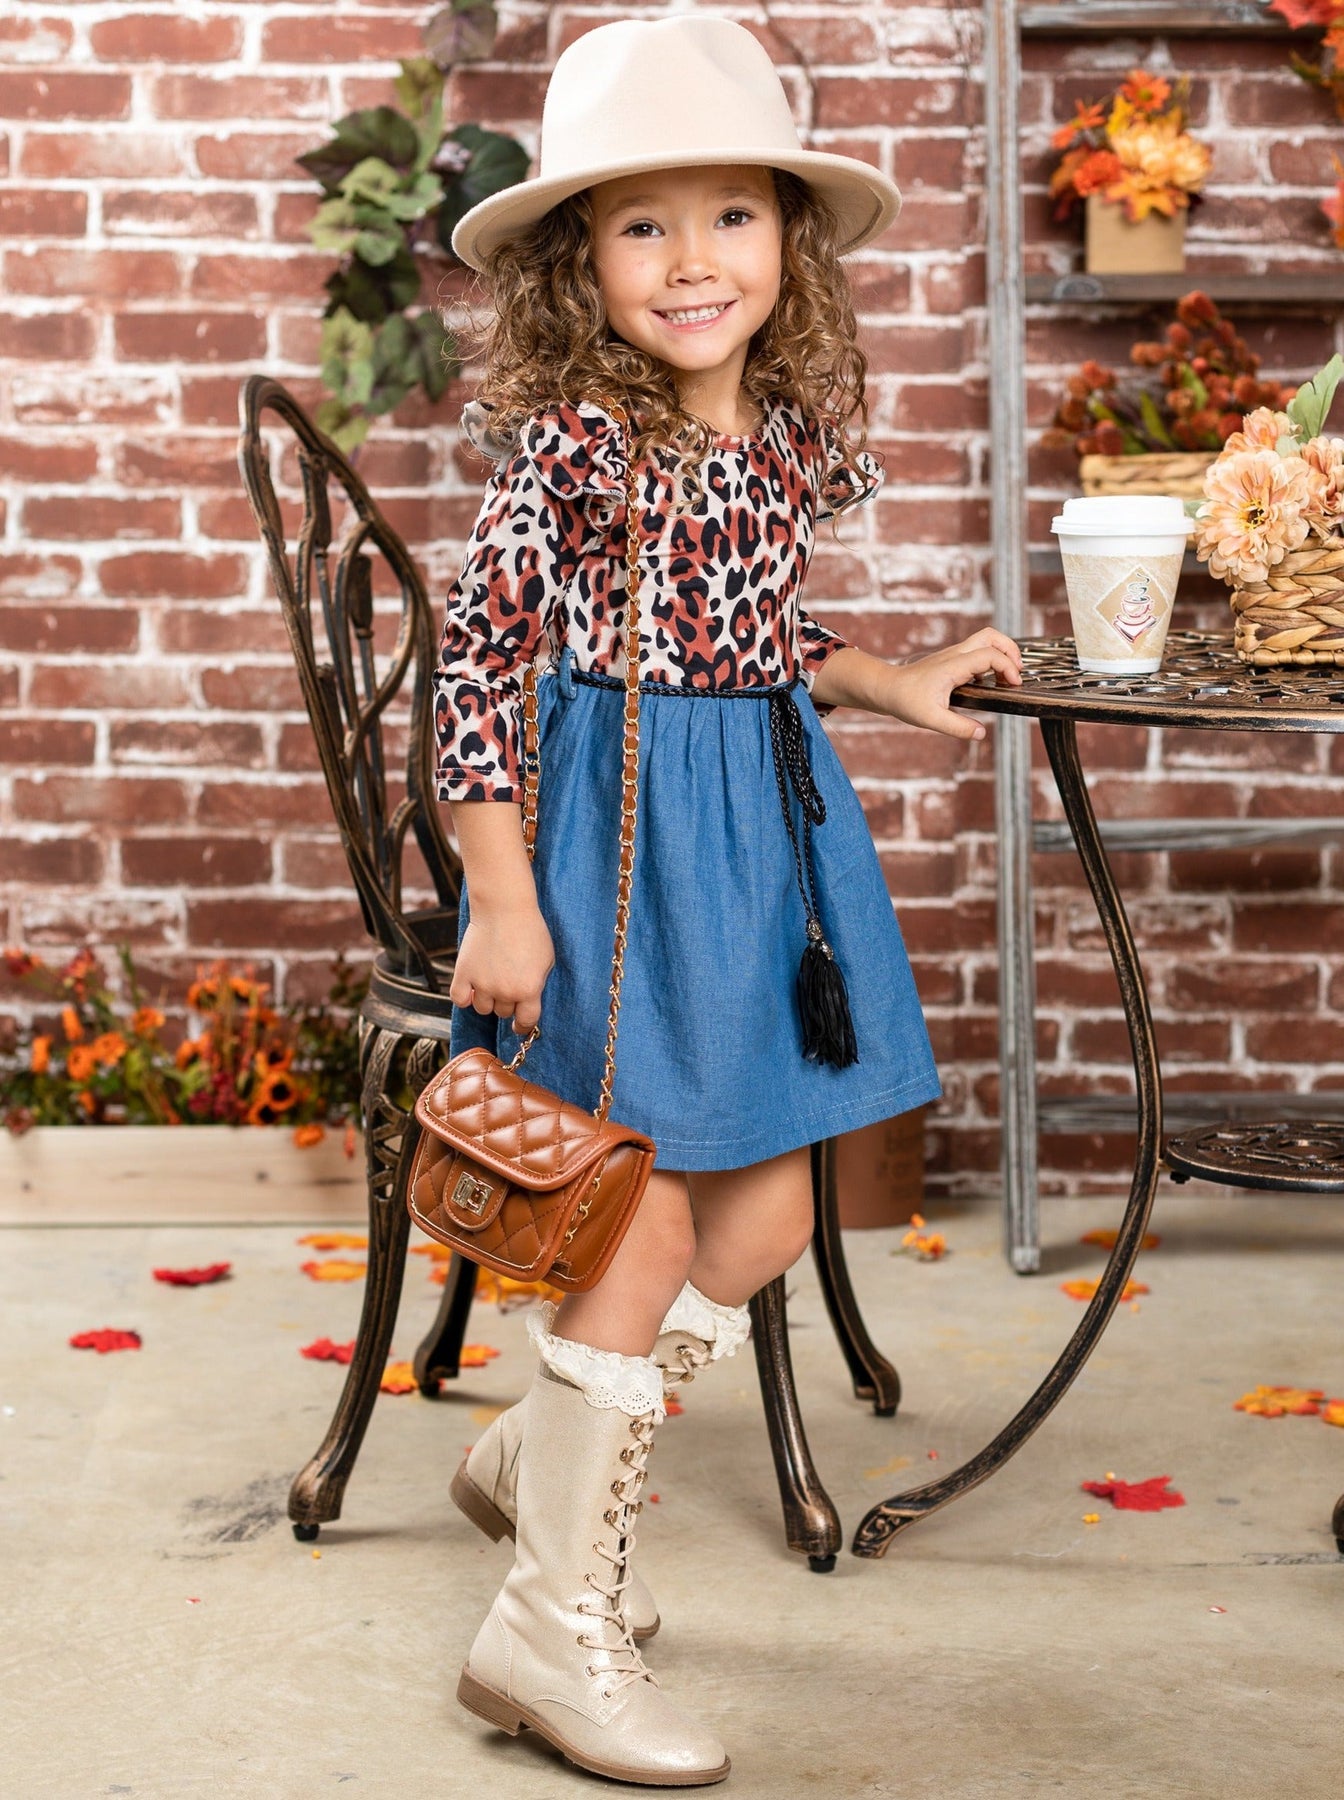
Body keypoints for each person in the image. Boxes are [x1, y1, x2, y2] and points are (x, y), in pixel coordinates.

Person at [433, 13, 1022, 1787]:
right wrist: (500, 899)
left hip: (757, 851)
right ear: (578, 261)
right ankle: (546, 1627)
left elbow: (755, 634)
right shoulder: (573, 450)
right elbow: (476, 674)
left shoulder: (781, 439)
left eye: (732, 216)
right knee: (639, 1223)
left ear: (789, 241)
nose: (693, 261)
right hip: (610, 856)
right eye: (643, 224)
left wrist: (893, 678)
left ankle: (539, 1450)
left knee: (759, 1223)